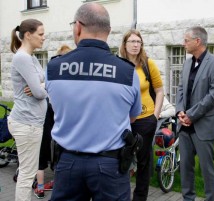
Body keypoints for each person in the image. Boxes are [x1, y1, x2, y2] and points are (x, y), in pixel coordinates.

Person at [46, 3, 141, 201]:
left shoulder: (54, 68)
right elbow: (133, 116)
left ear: (78, 27)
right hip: (110, 166)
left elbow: (56, 108)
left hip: (68, 163)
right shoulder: (127, 72)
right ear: (108, 31)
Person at [176, 26, 214, 201]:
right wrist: (180, 112)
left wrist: (191, 115)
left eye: (186, 40)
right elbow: (181, 89)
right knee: (185, 167)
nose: (184, 44)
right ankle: (187, 198)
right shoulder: (187, 62)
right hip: (184, 125)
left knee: (207, 169)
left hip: (203, 125)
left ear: (197, 41)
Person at [119, 29, 164, 201]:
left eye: (139, 42)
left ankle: (140, 197)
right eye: (132, 41)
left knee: (143, 161)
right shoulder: (119, 65)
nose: (136, 45)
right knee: (122, 158)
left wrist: (156, 115)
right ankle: (122, 194)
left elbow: (159, 91)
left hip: (146, 119)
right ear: (125, 44)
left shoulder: (148, 64)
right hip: (123, 120)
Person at [8, 19, 48, 201]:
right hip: (27, 123)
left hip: (31, 122)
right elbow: (40, 93)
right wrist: (40, 87)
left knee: (27, 170)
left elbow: (45, 82)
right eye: (40, 34)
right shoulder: (23, 58)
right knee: (26, 174)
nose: (43, 37)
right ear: (28, 35)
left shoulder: (31, 57)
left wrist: (40, 85)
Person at [33, 45, 73, 198]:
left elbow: (43, 86)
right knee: (58, 149)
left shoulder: (54, 71)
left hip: (50, 112)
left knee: (44, 148)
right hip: (59, 115)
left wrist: (38, 87)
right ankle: (56, 184)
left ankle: (41, 186)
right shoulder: (70, 75)